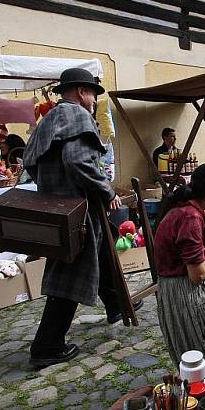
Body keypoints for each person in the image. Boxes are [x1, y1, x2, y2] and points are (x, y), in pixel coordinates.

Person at [23, 68, 134, 367]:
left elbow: (29, 162)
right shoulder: (77, 116)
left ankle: (116, 305)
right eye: (94, 96)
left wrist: (53, 188)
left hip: (61, 206)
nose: (94, 102)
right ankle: (46, 345)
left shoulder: (49, 120)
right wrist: (106, 192)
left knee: (103, 249)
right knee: (68, 275)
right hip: (78, 211)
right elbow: (77, 162)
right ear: (83, 92)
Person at [154, 164, 205, 377]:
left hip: (183, 281)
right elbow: (197, 274)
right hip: (182, 290)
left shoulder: (190, 210)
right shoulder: (190, 217)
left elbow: (204, 262)